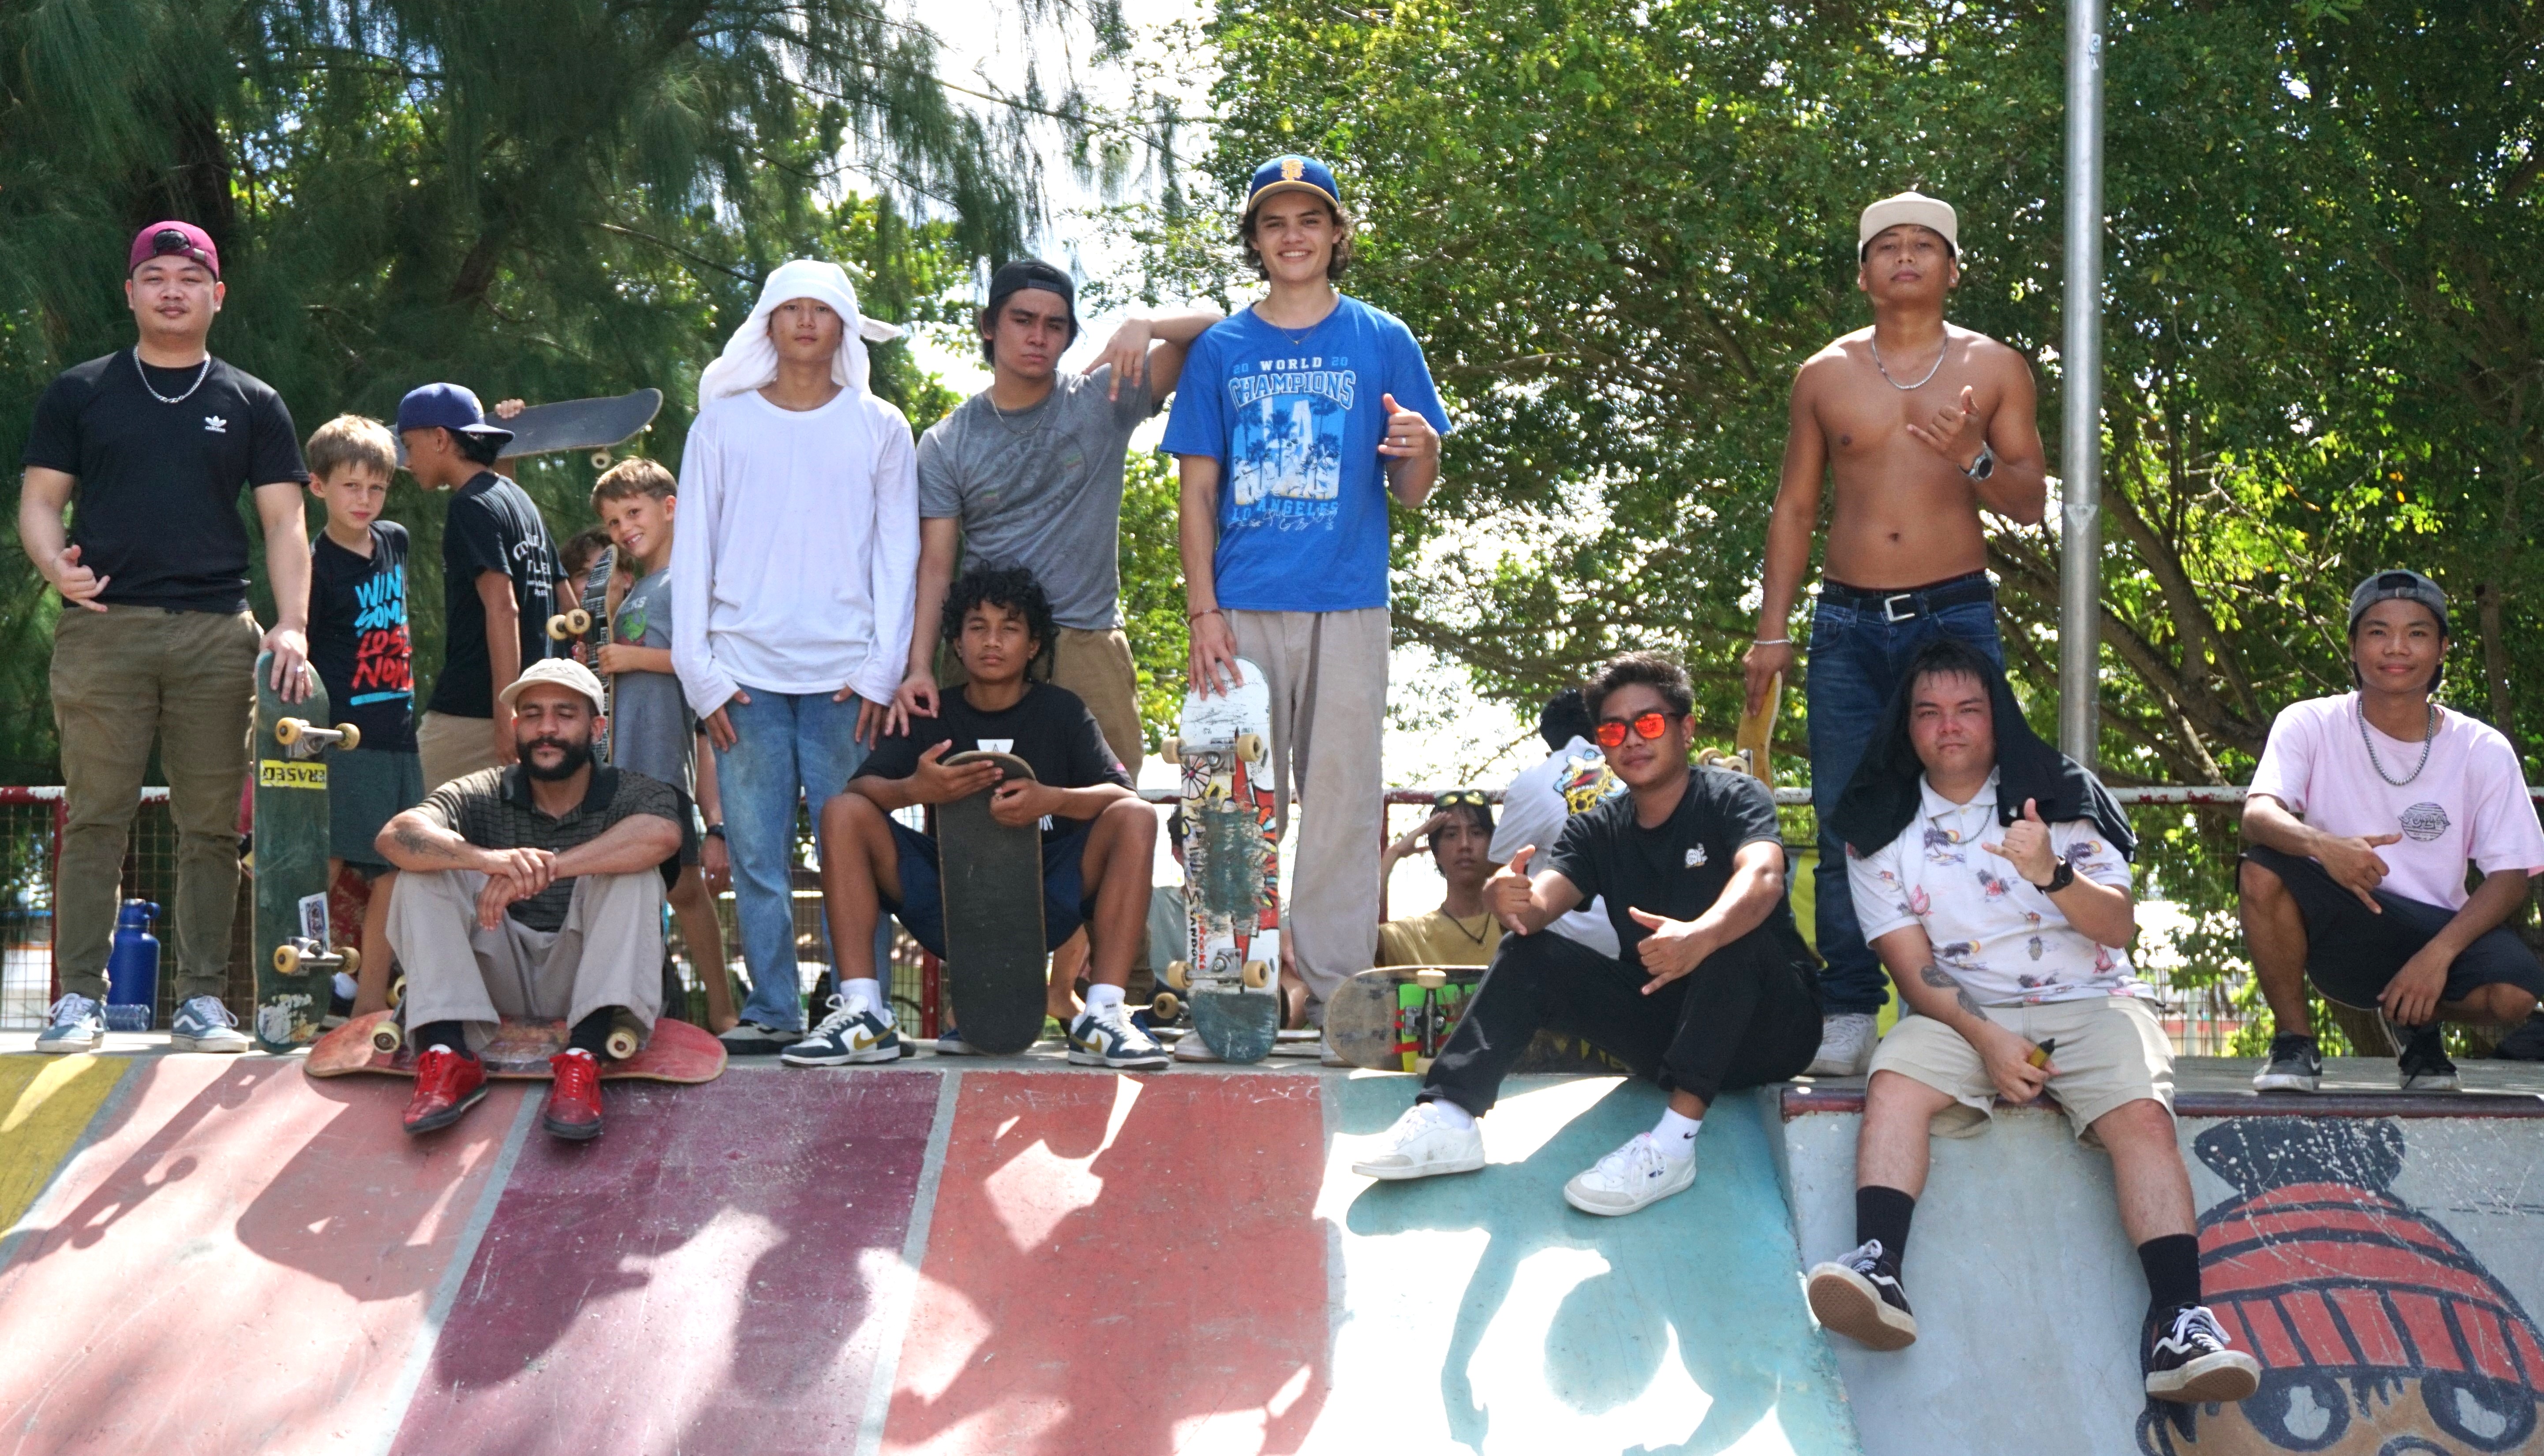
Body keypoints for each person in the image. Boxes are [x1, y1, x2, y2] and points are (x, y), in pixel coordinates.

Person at [1800, 636, 2260, 1406]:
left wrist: (2049, 869)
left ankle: (2179, 1320)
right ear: (1905, 726)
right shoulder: (1876, 821)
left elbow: (2116, 927)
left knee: (2141, 1117)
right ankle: (1879, 1266)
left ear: (1996, 717)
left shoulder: (2057, 793)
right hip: (1961, 1008)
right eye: (1929, 712)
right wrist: (1986, 1036)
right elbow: (1911, 968)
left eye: (1967, 710)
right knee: (1894, 1081)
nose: (1948, 727)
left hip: (2090, 1000)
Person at [1741, 191, 2049, 1080]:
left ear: (1952, 269)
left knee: (1972, 807)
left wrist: (1975, 460)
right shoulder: (1824, 372)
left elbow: (2030, 503)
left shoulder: (1993, 366)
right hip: (1845, 618)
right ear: (1864, 271)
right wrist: (1772, 634)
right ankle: (1846, 1006)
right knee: (1849, 814)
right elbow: (1796, 506)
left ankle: (1977, 994)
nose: (1906, 259)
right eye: (1887, 247)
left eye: (1925, 247)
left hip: (1952, 611)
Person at [1351, 653, 1822, 1217]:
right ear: (1599, 743)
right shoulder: (1598, 826)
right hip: (1668, 1028)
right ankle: (1451, 1113)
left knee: (1735, 934)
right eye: (1613, 729)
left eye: (1648, 723)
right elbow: (1541, 906)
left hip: (1769, 1030)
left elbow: (1764, 876)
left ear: (1685, 726)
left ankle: (1672, 1145)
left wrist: (1700, 934)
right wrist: (1509, 901)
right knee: (1530, 952)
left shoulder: (1730, 797)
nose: (1632, 740)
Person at [1162, 154, 1450, 1033]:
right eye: (1274, 223)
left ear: (1336, 235)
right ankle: (1232, 992)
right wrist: (1202, 613)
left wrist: (1420, 448)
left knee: (1341, 801)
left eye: (1309, 220)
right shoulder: (1221, 350)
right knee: (1232, 801)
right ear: (1254, 241)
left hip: (1348, 601)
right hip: (1241, 605)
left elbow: (1413, 490)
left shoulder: (1381, 337)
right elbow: (1197, 494)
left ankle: (1334, 997)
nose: (1293, 236)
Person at [903, 259, 1219, 1022]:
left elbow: (1216, 320)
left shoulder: (1101, 399)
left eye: (1055, 325)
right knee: (976, 823)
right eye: (1022, 320)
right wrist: (918, 665)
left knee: (1110, 813)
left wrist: (1141, 323)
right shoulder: (947, 442)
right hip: (980, 650)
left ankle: (1081, 993)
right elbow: (936, 564)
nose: (1038, 337)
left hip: (1085, 641)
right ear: (989, 327)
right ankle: (987, 995)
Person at [23, 221, 311, 1057]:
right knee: (98, 818)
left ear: (217, 295)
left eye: (191, 277)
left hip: (217, 634)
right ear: (131, 293)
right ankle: (77, 997)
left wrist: (290, 624)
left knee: (211, 826)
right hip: (103, 632)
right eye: (156, 276)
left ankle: (201, 1001)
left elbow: (287, 521)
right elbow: (41, 501)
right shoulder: (81, 392)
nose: (173, 290)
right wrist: (53, 566)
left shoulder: (252, 401)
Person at [673, 259, 918, 1054]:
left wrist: (882, 669)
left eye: (823, 309)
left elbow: (899, 557)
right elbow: (694, 554)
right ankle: (772, 1008)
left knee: (856, 851)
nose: (807, 322)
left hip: (848, 680)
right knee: (754, 855)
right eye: (791, 308)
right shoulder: (719, 425)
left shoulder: (881, 426)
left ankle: (865, 1007)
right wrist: (698, 673)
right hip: (741, 679)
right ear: (768, 324)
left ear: (844, 326)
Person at [804, 565, 1166, 1070]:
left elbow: (1118, 792)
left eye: (1009, 628)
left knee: (1135, 816)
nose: (991, 641)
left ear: (1034, 644)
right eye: (977, 627)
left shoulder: (1062, 710)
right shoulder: (932, 713)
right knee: (842, 811)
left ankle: (1103, 1012)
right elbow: (859, 791)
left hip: (1043, 895)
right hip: (948, 897)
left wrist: (1052, 799)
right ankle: (864, 1011)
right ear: (955, 642)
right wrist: (916, 788)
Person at [2241, 571, 2544, 1093]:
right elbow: (2256, 814)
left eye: (2417, 633)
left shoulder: (2481, 748)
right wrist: (2321, 845)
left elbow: (2510, 876)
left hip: (2433, 928)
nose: (2396, 648)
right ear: (2354, 646)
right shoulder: (2308, 721)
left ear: (2442, 647)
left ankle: (2414, 1022)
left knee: (2514, 994)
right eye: (2378, 631)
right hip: (2340, 919)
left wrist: (2436, 956)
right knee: (2260, 867)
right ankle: (2294, 1042)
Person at [375, 658, 683, 1142]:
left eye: (565, 714)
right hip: (495, 975)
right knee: (421, 874)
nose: (547, 728)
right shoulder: (481, 789)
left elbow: (662, 835)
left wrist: (547, 867)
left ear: (596, 727)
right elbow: (396, 836)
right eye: (533, 714)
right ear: (516, 726)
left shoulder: (635, 791)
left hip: (589, 979)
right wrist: (486, 860)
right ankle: (447, 1054)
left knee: (634, 874)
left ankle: (583, 1058)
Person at [590, 457, 737, 1031]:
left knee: (685, 890)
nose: (624, 528)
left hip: (660, 766)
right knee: (658, 891)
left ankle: (722, 1011)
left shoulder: (684, 582)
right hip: (627, 765)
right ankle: (647, 1008)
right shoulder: (642, 588)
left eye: (634, 511)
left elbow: (709, 662)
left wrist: (633, 658)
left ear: (670, 507)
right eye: (612, 521)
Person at [300, 414, 425, 1016]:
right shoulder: (311, 562)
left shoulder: (395, 541)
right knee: (319, 866)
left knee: (394, 874)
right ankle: (297, 989)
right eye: (351, 486)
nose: (365, 499)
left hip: (399, 736)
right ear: (318, 486)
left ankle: (368, 1007)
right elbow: (298, 654)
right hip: (342, 740)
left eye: (376, 487)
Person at [400, 384, 561, 791]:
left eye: (409, 444)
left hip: (473, 713)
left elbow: (503, 608)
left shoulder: (468, 506)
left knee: (410, 827)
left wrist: (506, 713)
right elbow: (565, 602)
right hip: (527, 703)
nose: (406, 461)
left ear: (440, 439)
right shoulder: (521, 502)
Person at [1493, 688, 1627, 959]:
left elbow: (1500, 866)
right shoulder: (1639, 765)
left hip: (1563, 956)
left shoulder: (1535, 781)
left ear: (1550, 742)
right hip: (1645, 947)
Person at [1376, 791, 1502, 968]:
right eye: (1451, 835)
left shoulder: (1515, 925)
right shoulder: (1414, 936)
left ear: (1492, 845)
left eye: (1476, 833)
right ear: (1436, 853)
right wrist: (1393, 853)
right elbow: (1360, 942)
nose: (1465, 845)